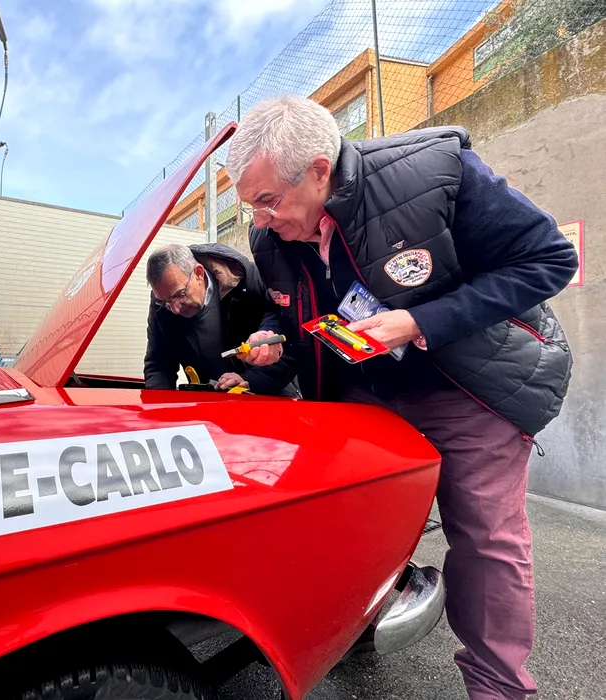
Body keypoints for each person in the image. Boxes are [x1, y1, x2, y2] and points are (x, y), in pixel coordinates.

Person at [226, 95, 578, 700]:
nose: (259, 220)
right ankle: (358, 630)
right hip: (362, 394)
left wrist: (419, 321)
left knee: (486, 540)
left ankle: (499, 688)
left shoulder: (433, 172)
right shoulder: (272, 237)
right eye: (249, 205)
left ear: (318, 170)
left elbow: (547, 259)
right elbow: (288, 310)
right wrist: (271, 338)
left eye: (266, 200)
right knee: (351, 525)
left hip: (465, 387)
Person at [143, 242, 296, 395]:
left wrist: (250, 380)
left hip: (270, 397)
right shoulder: (161, 303)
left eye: (180, 294)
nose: (175, 309)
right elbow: (158, 363)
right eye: (166, 302)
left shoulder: (248, 281)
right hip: (212, 402)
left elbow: (291, 343)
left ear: (198, 273)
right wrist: (159, 404)